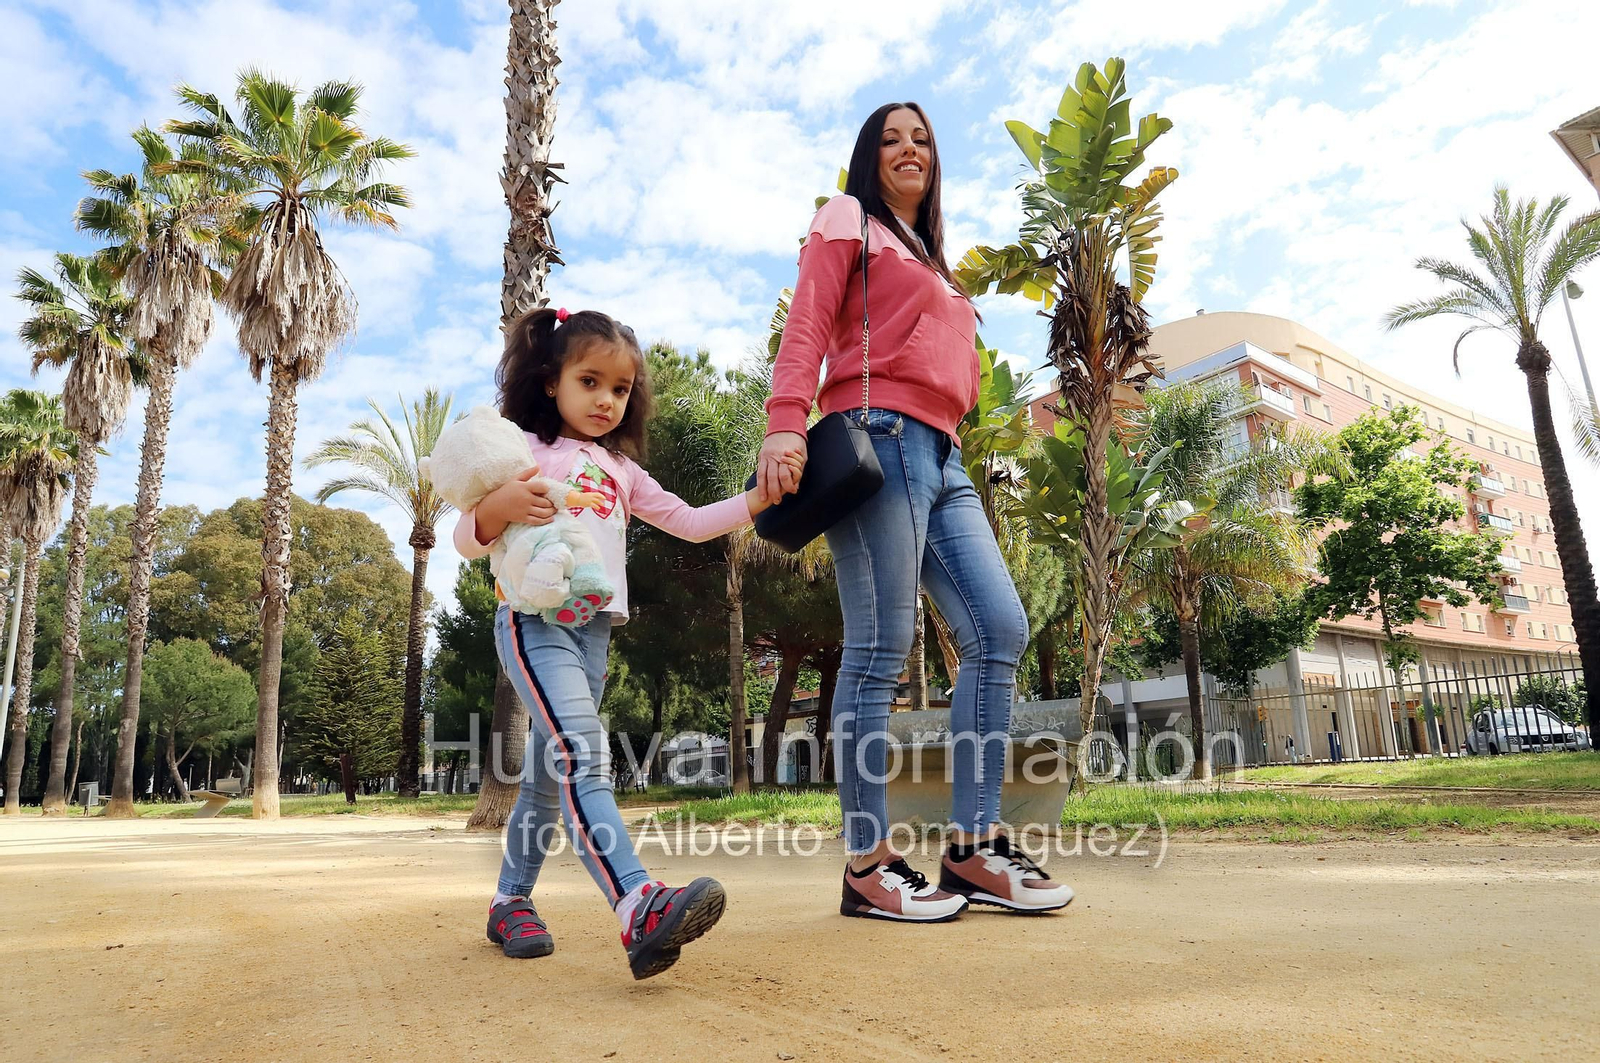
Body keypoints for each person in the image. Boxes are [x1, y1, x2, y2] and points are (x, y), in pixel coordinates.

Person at [756, 102, 1075, 922]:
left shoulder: (934, 259)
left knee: (999, 627)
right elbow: (807, 324)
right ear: (870, 158)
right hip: (876, 435)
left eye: (923, 139)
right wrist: (785, 421)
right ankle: (868, 862)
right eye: (891, 139)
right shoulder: (847, 218)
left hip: (944, 450)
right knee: (878, 647)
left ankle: (972, 850)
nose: (909, 149)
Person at [456, 306, 797, 978]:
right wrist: (498, 510)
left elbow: (694, 522)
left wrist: (758, 499)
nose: (607, 399)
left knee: (550, 780)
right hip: (533, 622)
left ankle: (508, 902)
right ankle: (637, 900)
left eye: (620, 388)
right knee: (584, 752)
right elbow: (468, 537)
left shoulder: (621, 470)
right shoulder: (522, 449)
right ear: (552, 381)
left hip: (593, 637)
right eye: (591, 381)